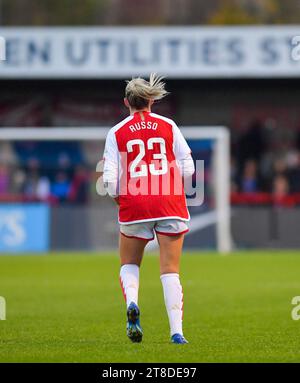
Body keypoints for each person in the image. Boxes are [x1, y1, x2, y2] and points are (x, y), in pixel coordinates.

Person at [102, 73, 194, 344]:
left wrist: (120, 199)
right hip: (169, 201)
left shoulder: (116, 132)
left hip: (135, 202)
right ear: (151, 101)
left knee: (129, 263)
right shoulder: (168, 125)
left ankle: (132, 303)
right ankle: (177, 333)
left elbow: (108, 178)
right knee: (170, 270)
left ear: (126, 102)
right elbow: (188, 168)